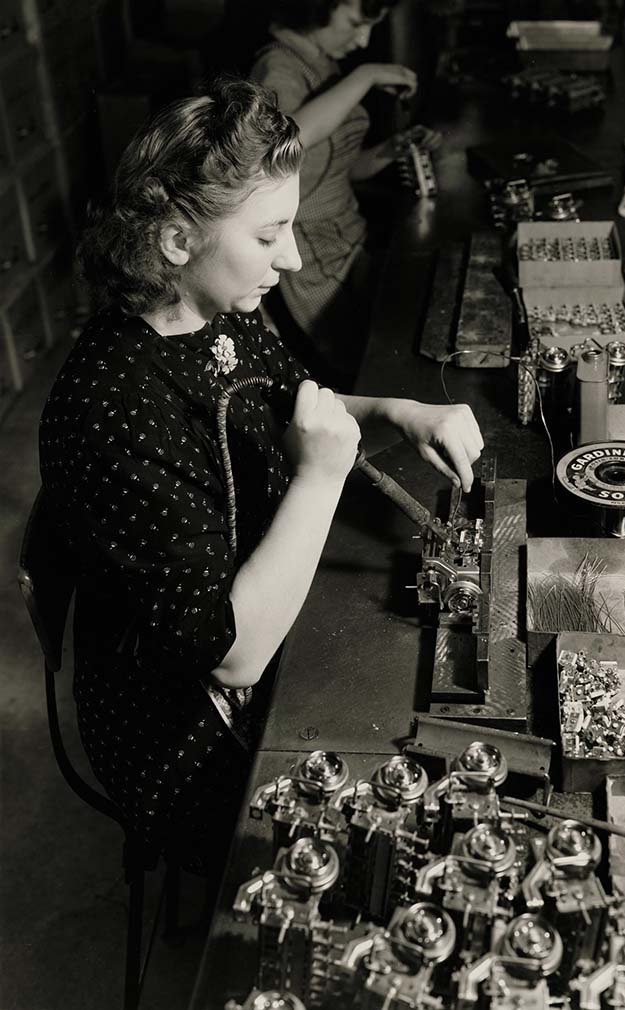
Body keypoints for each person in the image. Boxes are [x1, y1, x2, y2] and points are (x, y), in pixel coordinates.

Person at [38, 78, 482, 877]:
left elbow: (295, 408)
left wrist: (399, 410)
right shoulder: (114, 407)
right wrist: (318, 481)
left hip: (256, 610)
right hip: (181, 732)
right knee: (412, 822)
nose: (294, 257)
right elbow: (231, 656)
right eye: (271, 233)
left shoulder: (216, 314)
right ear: (177, 240)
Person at [250, 0, 440, 387]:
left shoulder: (322, 63)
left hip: (347, 234)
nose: (363, 39)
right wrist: (366, 76)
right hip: (308, 250)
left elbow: (338, 170)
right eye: (356, 23)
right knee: (374, 366)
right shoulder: (279, 67)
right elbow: (289, 141)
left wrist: (391, 150)